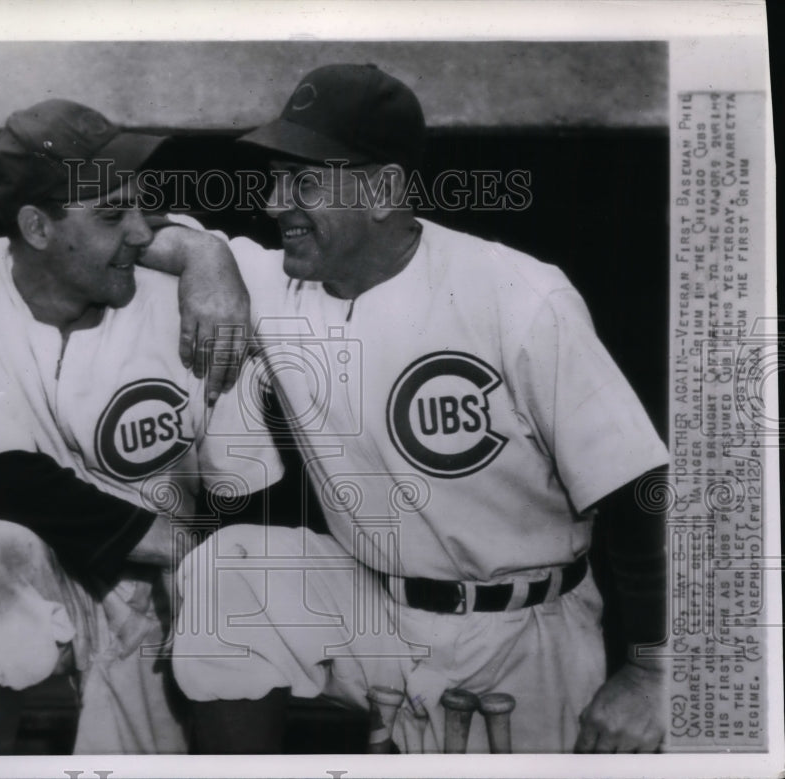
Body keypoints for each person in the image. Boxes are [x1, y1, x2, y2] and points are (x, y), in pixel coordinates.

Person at [155, 64, 669, 753]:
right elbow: (130, 228)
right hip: (380, 606)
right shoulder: (273, 283)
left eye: (303, 181)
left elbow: (640, 489)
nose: (277, 203)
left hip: (524, 624)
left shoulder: (516, 295)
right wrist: (205, 253)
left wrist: (652, 670)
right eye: (274, 179)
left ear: (384, 190)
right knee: (229, 574)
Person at [0, 99, 281, 754]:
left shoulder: (186, 301)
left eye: (142, 206)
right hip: (53, 559)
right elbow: (2, 481)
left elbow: (245, 491)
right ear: (36, 226)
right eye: (113, 214)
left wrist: (206, 251)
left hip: (161, 586)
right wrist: (173, 542)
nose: (141, 233)